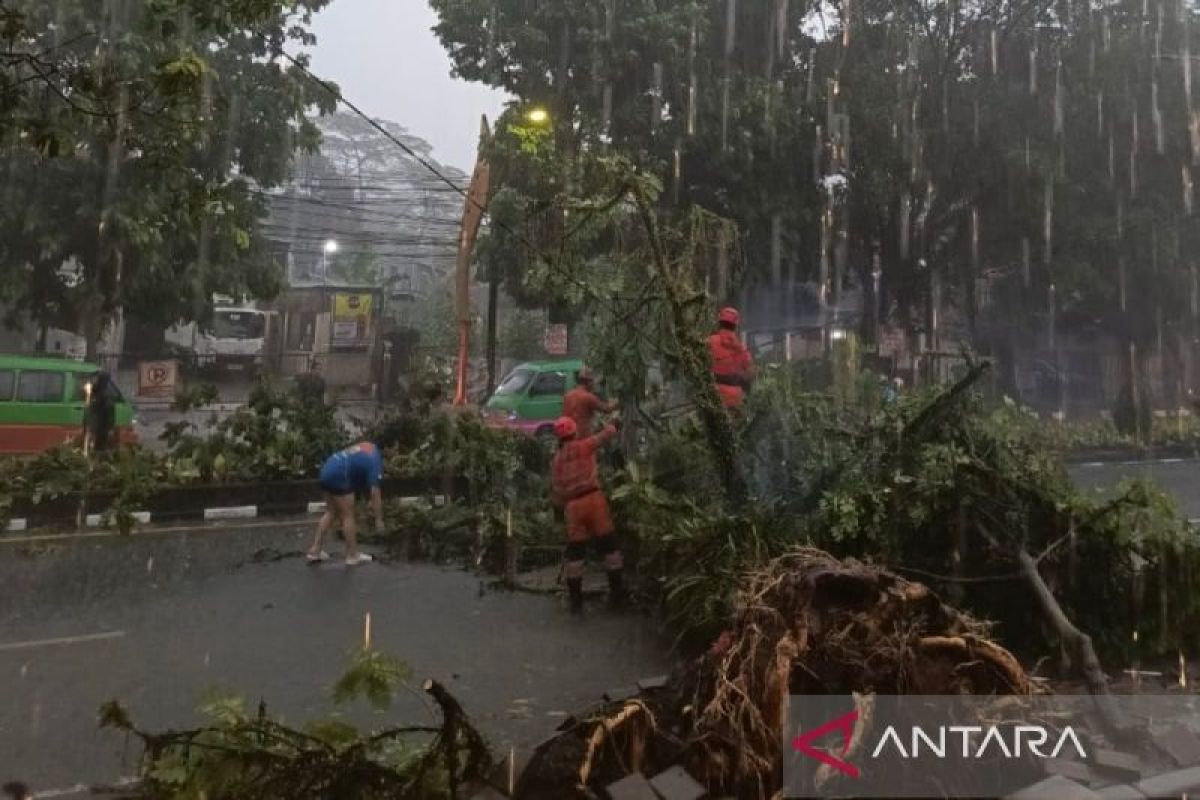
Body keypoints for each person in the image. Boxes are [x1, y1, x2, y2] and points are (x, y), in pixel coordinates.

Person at [551, 415, 626, 615]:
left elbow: (557, 492)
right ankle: (617, 595)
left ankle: (576, 603)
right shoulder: (584, 446)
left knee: (575, 553)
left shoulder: (557, 461)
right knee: (610, 547)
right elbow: (605, 436)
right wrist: (614, 424)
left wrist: (559, 513)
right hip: (594, 500)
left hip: (573, 507)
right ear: (574, 432)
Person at [307, 441, 384, 566]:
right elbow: (375, 491)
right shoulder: (375, 460)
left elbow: (357, 468)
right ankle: (353, 555)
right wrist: (379, 520)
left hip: (326, 470)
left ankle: (315, 550)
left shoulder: (366, 445)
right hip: (339, 475)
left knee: (331, 512)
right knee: (348, 515)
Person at [707, 307, 755, 409]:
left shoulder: (709, 342)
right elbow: (750, 373)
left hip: (713, 396)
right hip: (735, 399)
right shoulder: (741, 348)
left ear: (719, 323)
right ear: (736, 326)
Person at [563, 366, 617, 437]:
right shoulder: (588, 397)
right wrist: (618, 402)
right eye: (593, 381)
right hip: (583, 436)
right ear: (588, 382)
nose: (594, 384)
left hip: (568, 435)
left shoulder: (568, 395)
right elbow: (606, 409)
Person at [84, 371, 117, 452]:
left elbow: (109, 412)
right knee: (92, 447)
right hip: (93, 426)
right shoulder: (96, 391)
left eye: (97, 379)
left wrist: (110, 428)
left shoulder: (106, 394)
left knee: (98, 448)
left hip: (100, 427)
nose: (94, 381)